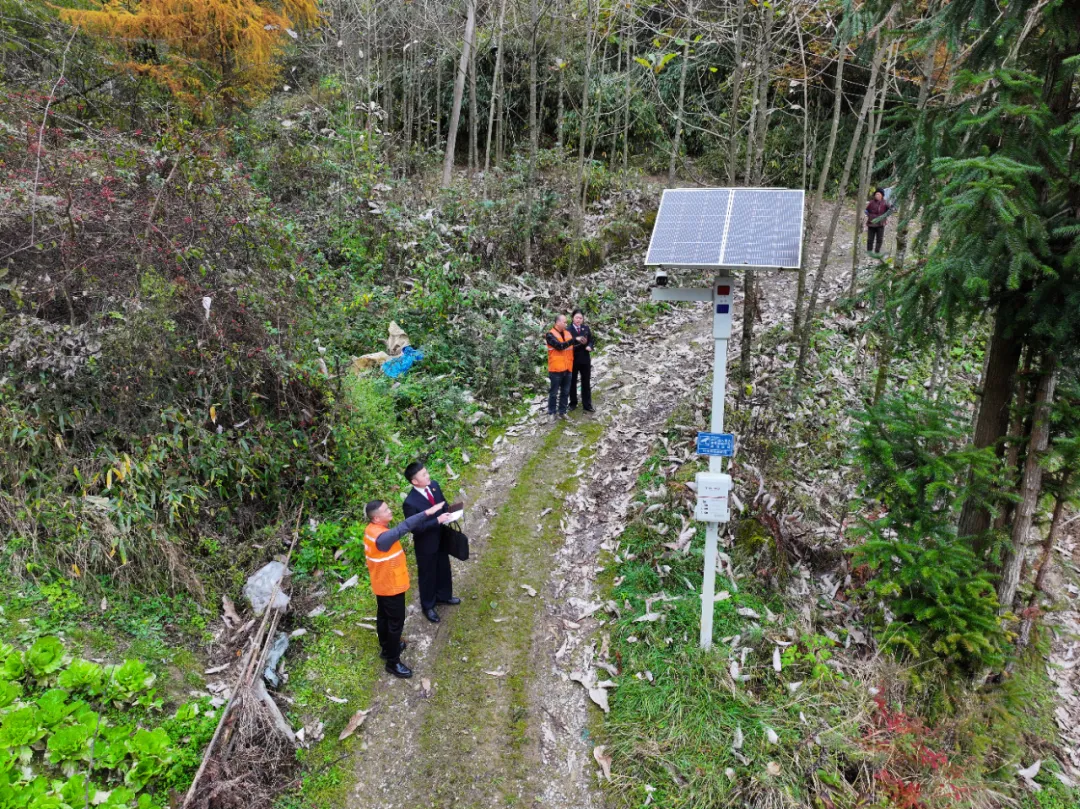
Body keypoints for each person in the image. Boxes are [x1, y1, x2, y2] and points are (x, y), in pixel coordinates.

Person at [362, 497, 452, 678]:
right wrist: (428, 512)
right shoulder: (382, 538)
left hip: (381, 584)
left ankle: (387, 649)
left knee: (384, 617)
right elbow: (404, 527)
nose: (390, 511)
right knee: (395, 623)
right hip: (391, 587)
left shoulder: (372, 530)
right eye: (386, 510)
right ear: (376, 518)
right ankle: (392, 662)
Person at [402, 461, 460, 623]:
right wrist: (437, 521)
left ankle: (444, 596)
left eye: (426, 472)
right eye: (424, 475)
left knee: (444, 567)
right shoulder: (410, 503)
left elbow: (443, 504)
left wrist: (450, 513)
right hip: (426, 544)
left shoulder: (434, 486)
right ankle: (428, 605)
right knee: (427, 574)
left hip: (442, 536)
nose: (428, 476)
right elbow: (415, 528)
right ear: (415, 481)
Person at [545, 314, 575, 421]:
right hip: (556, 369)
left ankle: (562, 412)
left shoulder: (568, 333)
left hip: (568, 368)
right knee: (553, 393)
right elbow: (559, 346)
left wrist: (581, 342)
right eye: (564, 322)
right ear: (557, 322)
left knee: (565, 392)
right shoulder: (550, 335)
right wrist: (573, 340)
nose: (566, 324)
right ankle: (552, 412)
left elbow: (571, 348)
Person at [567, 308, 595, 413]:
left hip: (585, 358)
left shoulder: (586, 328)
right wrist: (576, 340)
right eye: (577, 318)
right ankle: (573, 403)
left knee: (586, 381)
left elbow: (591, 340)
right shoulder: (568, 330)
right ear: (572, 318)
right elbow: (566, 343)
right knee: (572, 382)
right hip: (573, 359)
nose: (579, 320)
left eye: (581, 318)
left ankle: (587, 404)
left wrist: (590, 346)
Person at [865, 189, 892, 255]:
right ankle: (869, 252)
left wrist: (885, 217)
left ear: (882, 195)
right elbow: (866, 211)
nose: (877, 195)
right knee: (870, 239)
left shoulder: (885, 202)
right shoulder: (871, 202)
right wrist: (870, 216)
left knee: (879, 239)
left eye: (878, 194)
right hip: (871, 223)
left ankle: (877, 252)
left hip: (880, 223)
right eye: (876, 194)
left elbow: (890, 211)